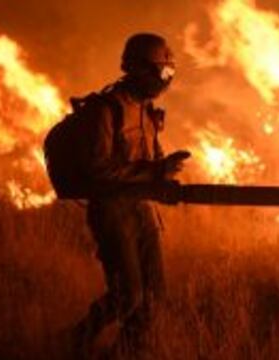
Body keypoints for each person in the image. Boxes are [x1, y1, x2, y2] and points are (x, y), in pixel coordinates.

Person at [73, 33, 189, 358]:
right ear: (136, 69)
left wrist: (163, 174)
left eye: (170, 73)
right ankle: (75, 341)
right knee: (128, 296)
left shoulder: (147, 110)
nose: (166, 81)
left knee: (154, 299)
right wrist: (154, 172)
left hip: (143, 212)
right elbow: (98, 171)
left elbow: (151, 162)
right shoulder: (105, 110)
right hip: (112, 214)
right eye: (161, 72)